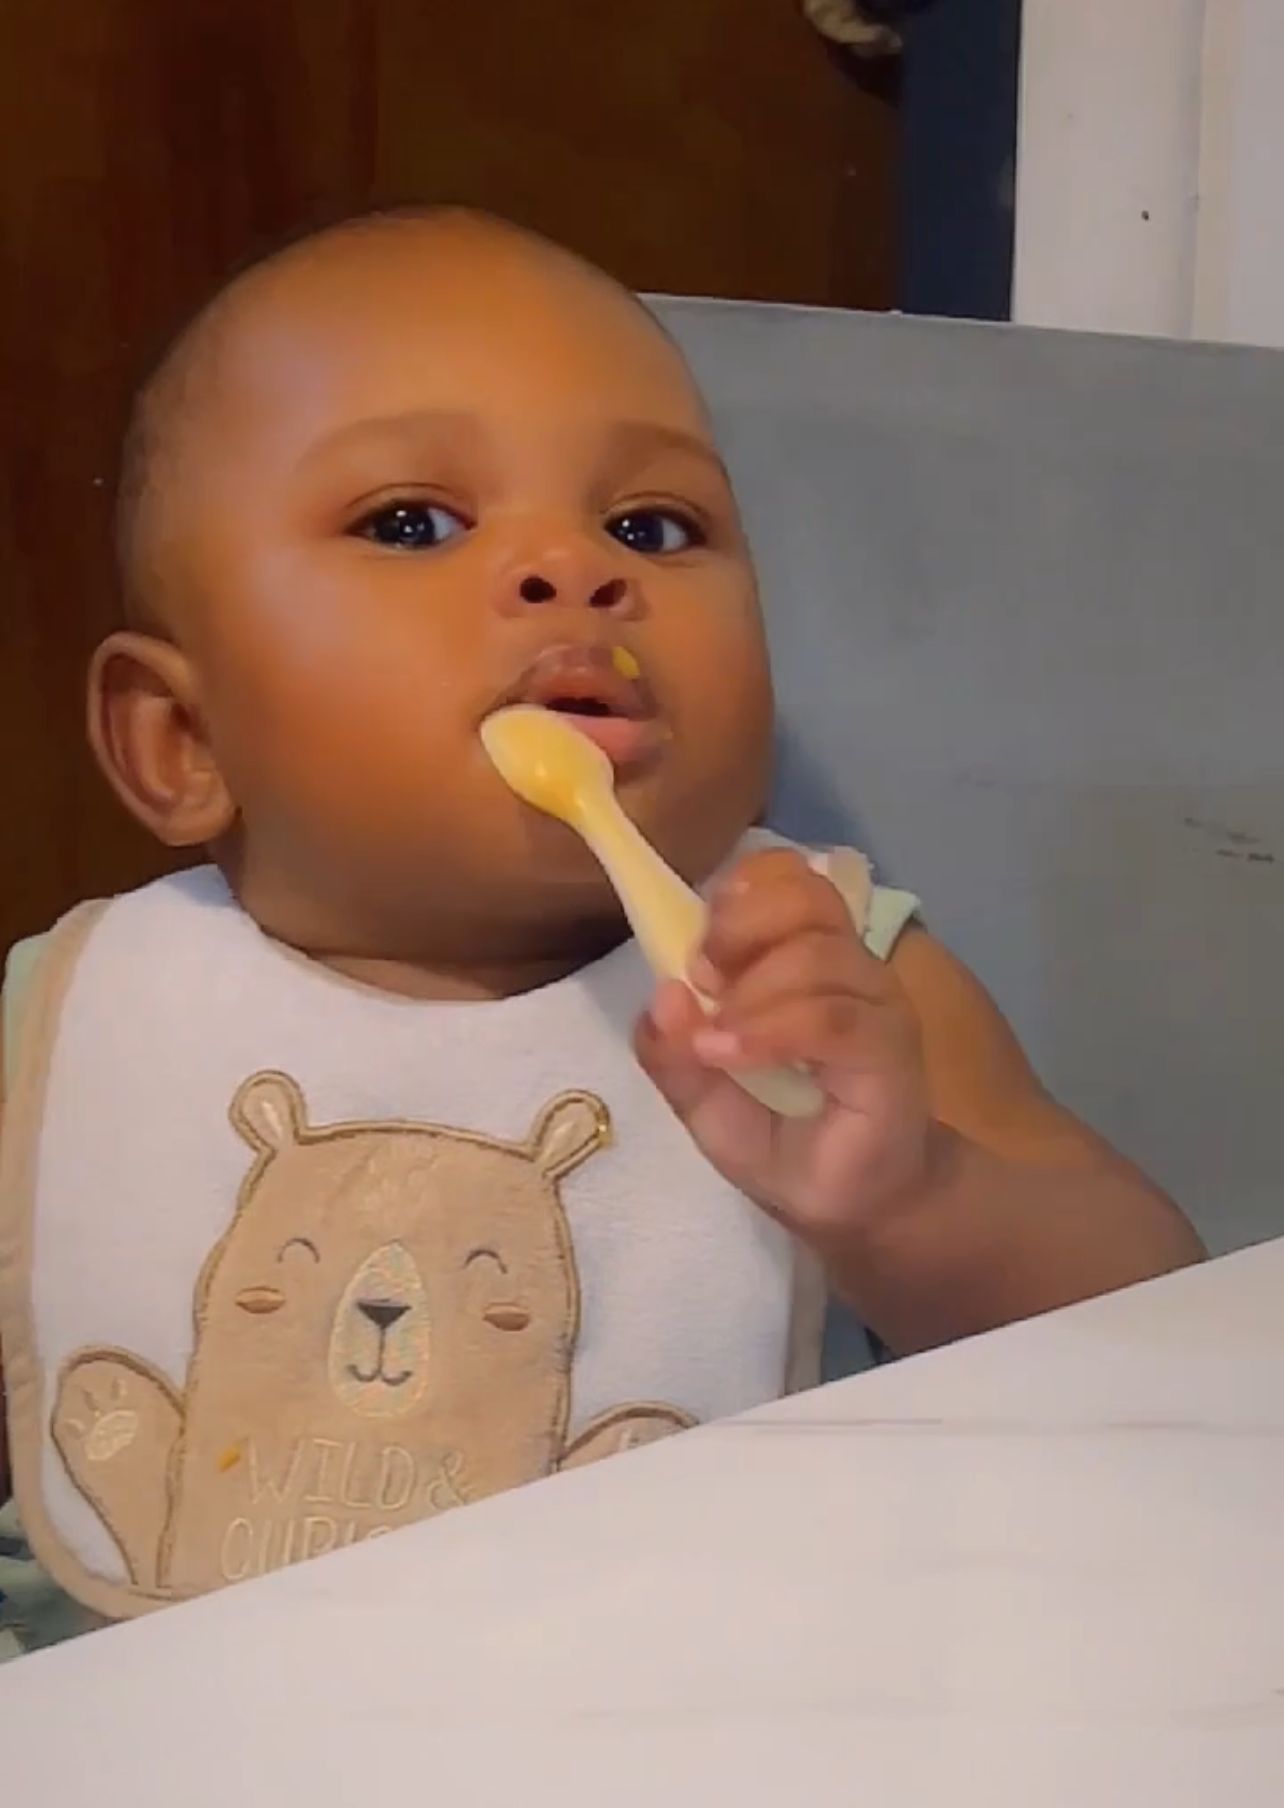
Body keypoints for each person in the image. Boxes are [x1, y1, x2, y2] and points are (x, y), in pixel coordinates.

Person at [0, 209, 1203, 1650]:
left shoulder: (824, 977)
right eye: (412, 523)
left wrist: (912, 1199)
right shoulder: (69, 1030)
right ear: (183, 741)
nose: (572, 570)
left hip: (697, 1716)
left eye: (651, 527)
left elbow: (1153, 1324)